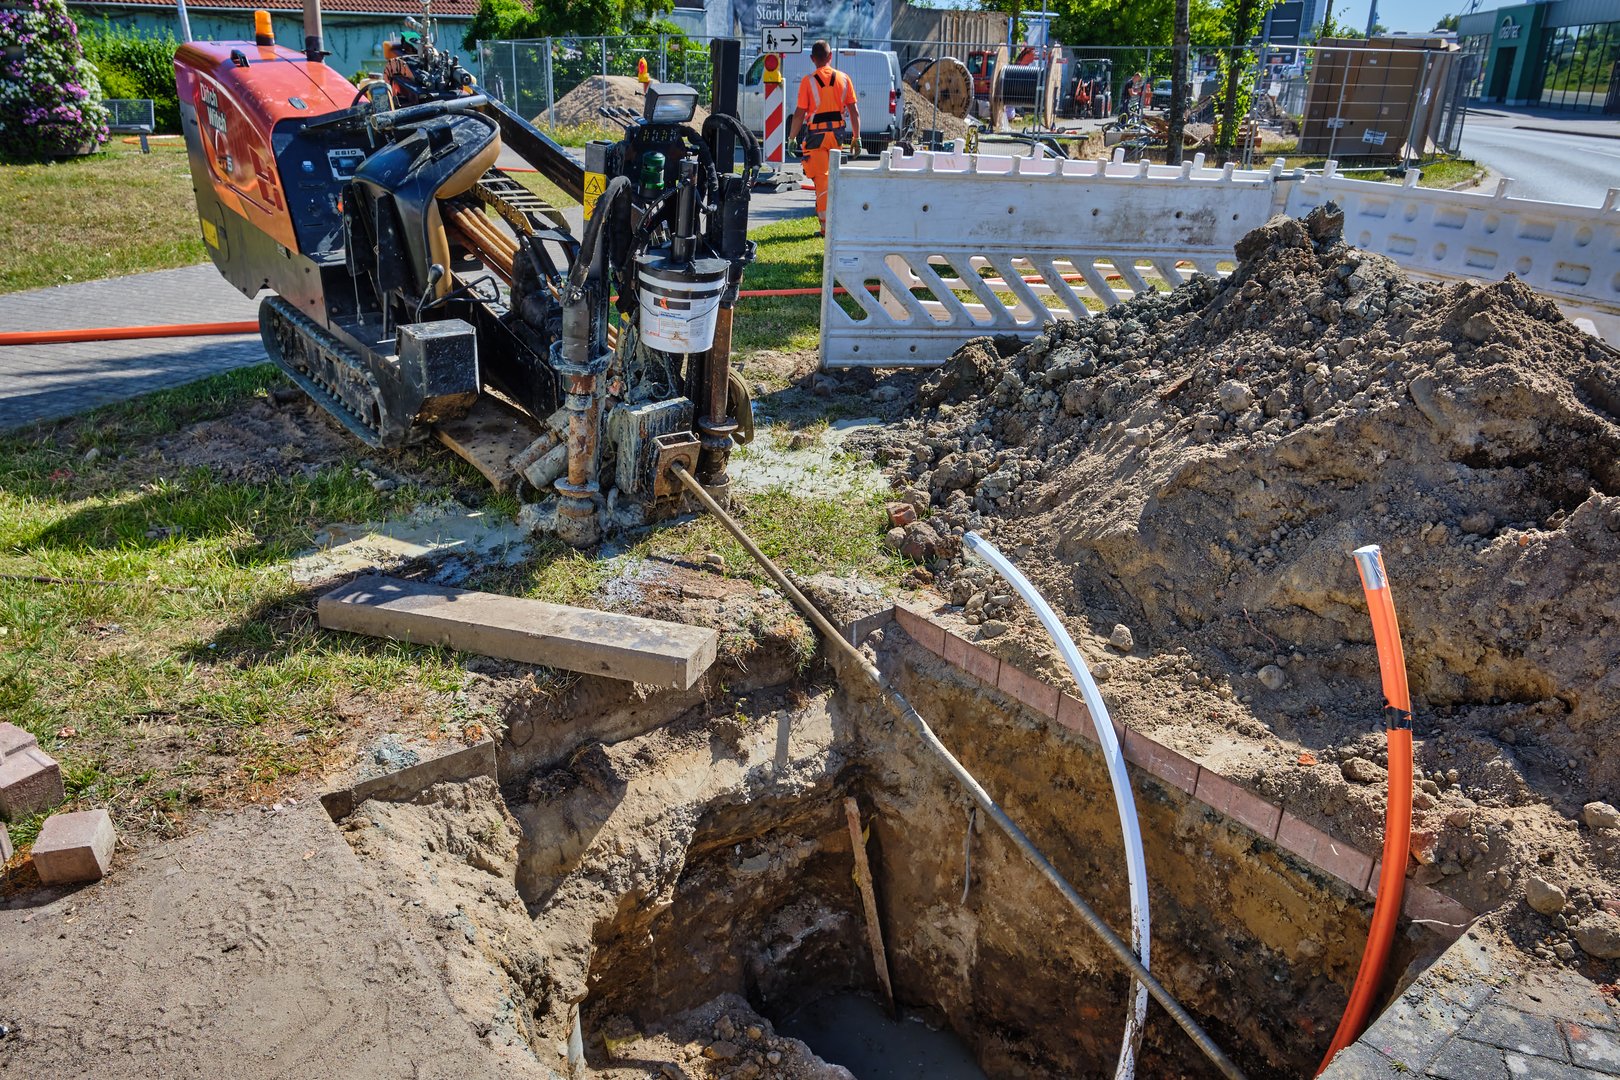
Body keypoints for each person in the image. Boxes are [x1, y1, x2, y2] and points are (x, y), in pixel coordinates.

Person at [787, 40, 862, 238]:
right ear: (830, 57)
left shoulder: (808, 81)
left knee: (822, 181)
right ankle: (831, 224)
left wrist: (792, 137)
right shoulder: (844, 79)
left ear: (813, 59)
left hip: (817, 138)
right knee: (832, 180)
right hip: (837, 137)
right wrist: (857, 137)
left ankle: (826, 229)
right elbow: (854, 112)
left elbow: (799, 113)